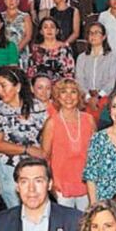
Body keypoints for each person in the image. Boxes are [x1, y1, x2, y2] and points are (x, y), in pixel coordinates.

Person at [0, 66, 48, 208]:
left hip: (35, 166)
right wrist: (26, 149)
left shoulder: (38, 107)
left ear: (18, 87)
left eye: (3, 86)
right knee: (15, 207)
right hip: (8, 166)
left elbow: (46, 135)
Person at [41, 78, 95, 210]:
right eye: (64, 92)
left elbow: (95, 154)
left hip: (86, 183)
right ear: (58, 97)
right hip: (61, 185)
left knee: (86, 223)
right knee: (66, 226)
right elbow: (44, 156)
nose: (69, 97)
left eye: (73, 92)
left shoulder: (89, 120)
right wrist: (51, 183)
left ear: (79, 96)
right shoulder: (51, 123)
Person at [75, 22, 116, 111]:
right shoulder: (81, 58)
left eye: (96, 32)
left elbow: (111, 82)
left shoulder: (112, 58)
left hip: (105, 98)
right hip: (85, 99)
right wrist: (88, 98)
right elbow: (79, 80)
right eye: (90, 33)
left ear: (104, 37)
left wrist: (98, 97)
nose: (93, 35)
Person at [27, 17, 75, 82]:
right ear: (41, 31)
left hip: (61, 87)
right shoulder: (36, 50)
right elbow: (31, 74)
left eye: (52, 27)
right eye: (45, 27)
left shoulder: (65, 48)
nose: (49, 30)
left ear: (57, 31)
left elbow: (70, 72)